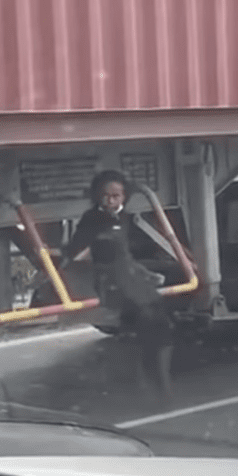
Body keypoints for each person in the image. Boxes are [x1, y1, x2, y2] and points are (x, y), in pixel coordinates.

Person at [62, 170, 175, 399]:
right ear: (97, 196)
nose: (111, 201)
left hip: (130, 277)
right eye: (106, 196)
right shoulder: (91, 219)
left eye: (116, 196)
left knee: (160, 325)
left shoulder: (125, 218)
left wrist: (147, 273)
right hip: (110, 282)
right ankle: (149, 379)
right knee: (146, 323)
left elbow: (126, 255)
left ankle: (157, 377)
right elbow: (74, 251)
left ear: (124, 197)